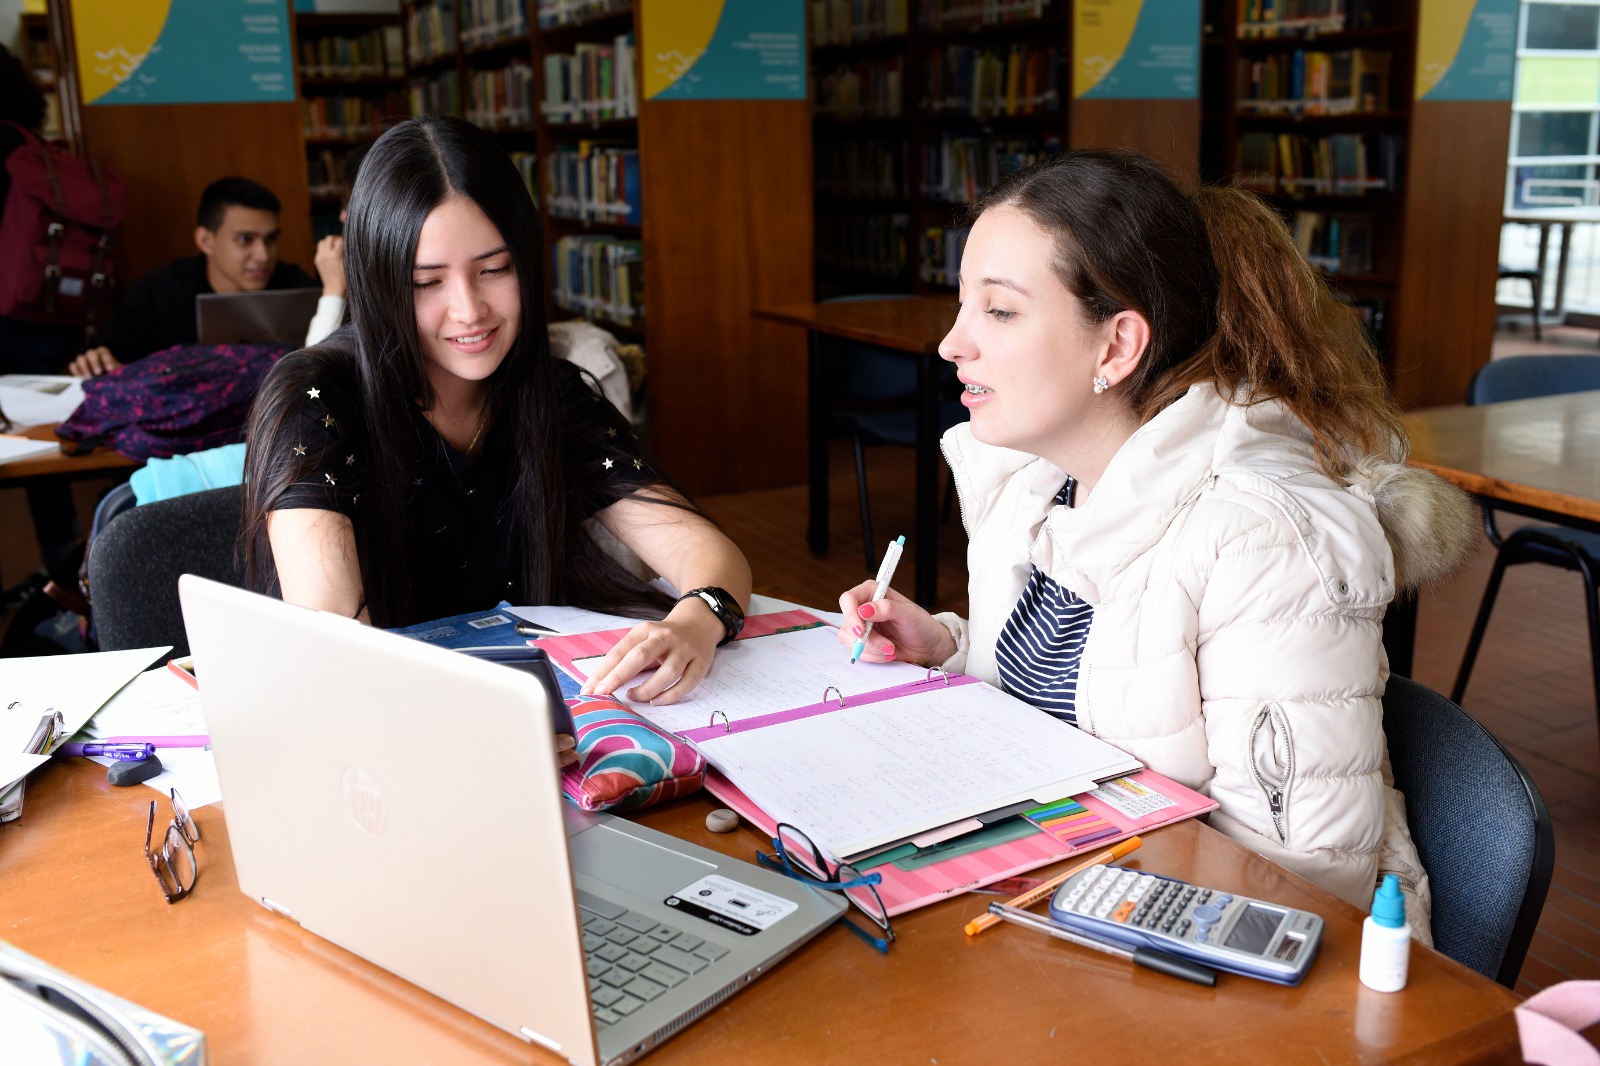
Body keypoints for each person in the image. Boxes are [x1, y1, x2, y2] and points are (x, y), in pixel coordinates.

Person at [837, 150, 1476, 940]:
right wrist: (946, 645)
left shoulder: (1263, 538)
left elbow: (1301, 880)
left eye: (998, 312)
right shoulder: (1038, 482)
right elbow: (1092, 690)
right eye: (963, 304)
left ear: (1116, 347)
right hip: (1065, 900)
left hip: (1249, 960)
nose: (952, 344)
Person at [241, 115, 750, 713]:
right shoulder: (316, 398)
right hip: (379, 730)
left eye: (494, 269)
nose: (469, 310)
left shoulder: (549, 392)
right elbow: (337, 650)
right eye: (426, 282)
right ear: (379, 284)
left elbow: (710, 554)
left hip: (536, 723)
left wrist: (697, 618)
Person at [67, 177, 327, 377]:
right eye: (244, 239)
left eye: (271, 239)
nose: (263, 255)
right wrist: (97, 362)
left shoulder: (296, 290)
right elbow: (101, 359)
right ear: (205, 240)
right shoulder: (158, 292)